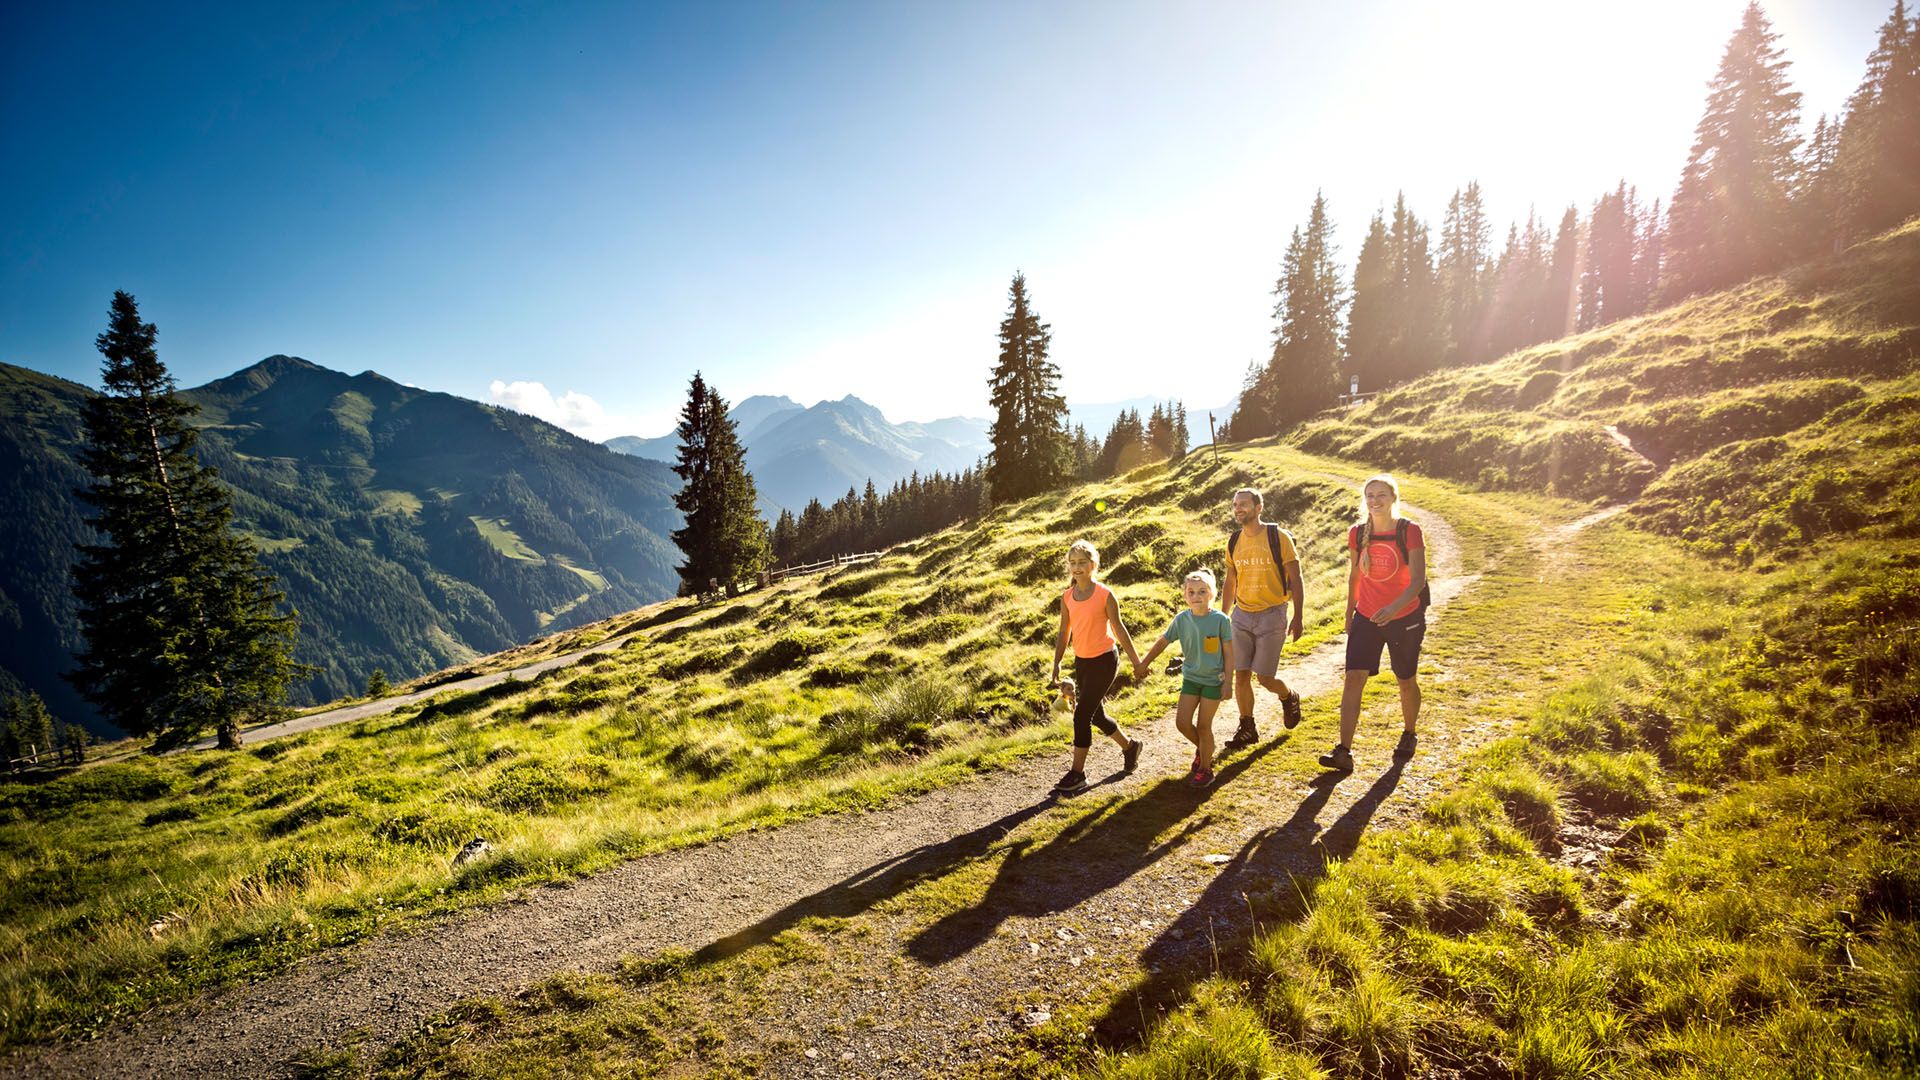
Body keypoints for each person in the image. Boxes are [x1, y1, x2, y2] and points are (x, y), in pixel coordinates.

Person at [1322, 474, 1427, 773]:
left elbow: (1418, 580)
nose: (1374, 501)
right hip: (1366, 617)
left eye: (1381, 495)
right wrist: (1349, 613)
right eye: (1370, 495)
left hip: (1404, 617)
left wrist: (1394, 609)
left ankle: (1409, 733)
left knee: (1405, 679)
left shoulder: (1410, 531)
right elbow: (1355, 576)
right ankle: (1343, 751)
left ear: (1393, 497)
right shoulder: (1357, 533)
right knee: (1353, 677)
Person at [1048, 539, 1145, 793]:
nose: (1077, 568)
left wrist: (1137, 662)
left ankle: (1077, 774)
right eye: (1073, 563)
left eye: (1082, 563)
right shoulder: (1067, 597)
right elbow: (1063, 632)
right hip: (1083, 663)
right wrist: (1056, 663)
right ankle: (1130, 747)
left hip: (1105, 661)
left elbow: (1119, 630)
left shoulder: (1104, 594)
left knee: (1082, 715)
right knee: (1097, 715)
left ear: (1093, 565)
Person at [1220, 487, 1306, 749]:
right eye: (1235, 504)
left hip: (1273, 614)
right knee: (1241, 674)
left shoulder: (1277, 536)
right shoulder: (1234, 541)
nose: (1238, 508)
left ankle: (1288, 696)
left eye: (1244, 504)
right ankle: (1247, 727)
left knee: (1265, 678)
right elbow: (1230, 580)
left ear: (1258, 508)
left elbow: (1296, 577)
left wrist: (1299, 616)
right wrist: (1223, 617)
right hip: (1242, 615)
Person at [1135, 569, 1234, 786]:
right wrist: (1144, 662)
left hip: (1213, 681)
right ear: (1185, 595)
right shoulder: (1181, 619)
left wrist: (1228, 682)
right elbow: (1163, 641)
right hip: (1191, 679)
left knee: (1204, 726)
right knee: (1182, 723)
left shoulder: (1220, 620)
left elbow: (1229, 652)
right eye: (1191, 592)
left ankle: (1206, 769)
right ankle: (1205, 749)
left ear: (1211, 594)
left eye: (1202, 592)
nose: (1196, 596)